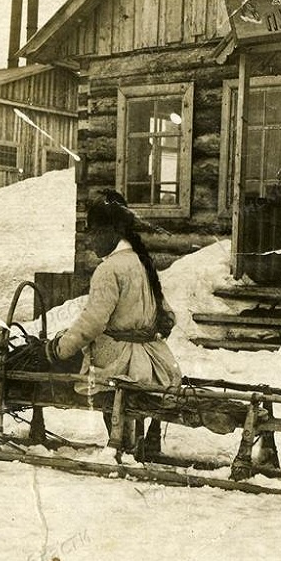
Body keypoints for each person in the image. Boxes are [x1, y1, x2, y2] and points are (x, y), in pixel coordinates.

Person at [44, 192, 182, 455]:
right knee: (130, 387)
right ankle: (139, 441)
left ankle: (124, 444)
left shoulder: (109, 270)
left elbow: (93, 323)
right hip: (152, 361)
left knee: (99, 382)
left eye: (93, 232)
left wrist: (60, 348)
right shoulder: (142, 262)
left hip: (119, 362)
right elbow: (169, 318)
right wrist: (144, 335)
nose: (89, 240)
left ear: (112, 231)